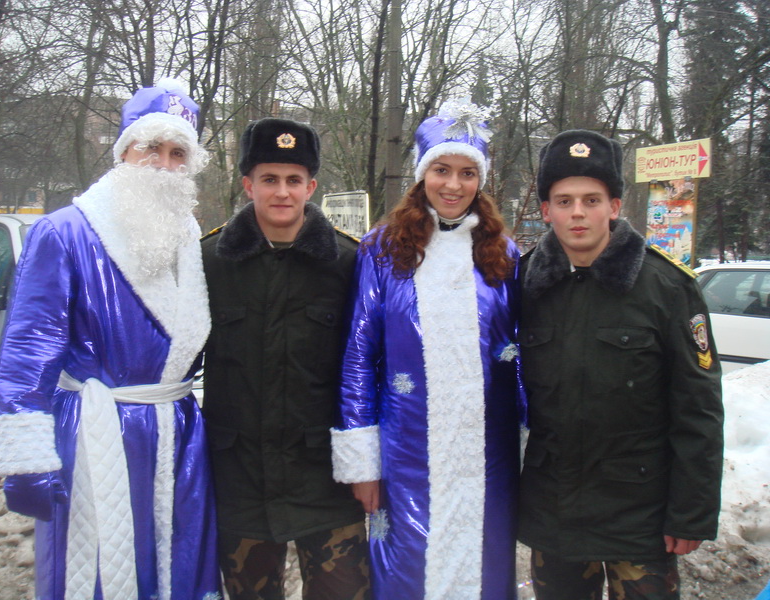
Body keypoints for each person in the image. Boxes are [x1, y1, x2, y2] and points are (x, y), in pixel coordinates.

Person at [0, 79, 222, 600]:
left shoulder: (189, 236)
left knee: (177, 570)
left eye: (178, 153)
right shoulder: (64, 232)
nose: (164, 164)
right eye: (151, 148)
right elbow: (29, 348)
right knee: (96, 572)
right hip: (97, 435)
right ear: (122, 153)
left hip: (178, 433)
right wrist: (26, 458)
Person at [518, 129, 724, 599]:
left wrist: (691, 512)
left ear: (614, 206)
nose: (577, 213)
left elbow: (698, 407)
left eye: (591, 200)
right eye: (564, 201)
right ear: (546, 210)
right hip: (555, 512)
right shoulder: (523, 284)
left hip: (640, 514)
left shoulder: (666, 287)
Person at [330, 101, 524, 599]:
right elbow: (359, 355)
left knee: (483, 568)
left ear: (480, 180)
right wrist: (362, 461)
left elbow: (521, 351)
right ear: (422, 175)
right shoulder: (382, 249)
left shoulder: (504, 253)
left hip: (489, 455)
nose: (453, 185)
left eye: (466, 173)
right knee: (408, 571)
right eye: (442, 170)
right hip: (407, 453)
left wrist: (529, 435)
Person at [201, 117, 369, 600]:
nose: (281, 192)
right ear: (247, 184)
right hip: (240, 477)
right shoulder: (210, 261)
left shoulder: (348, 262)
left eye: (294, 180)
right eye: (269, 179)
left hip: (326, 477)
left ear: (311, 187)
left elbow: (367, 365)